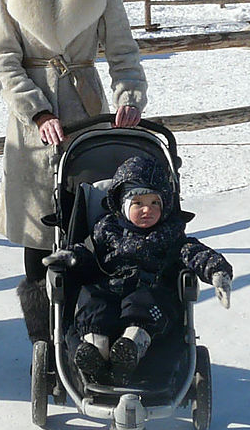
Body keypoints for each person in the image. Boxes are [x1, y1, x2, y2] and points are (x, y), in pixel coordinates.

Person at [0, 0, 148, 345]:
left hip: (86, 114)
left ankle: (91, 333)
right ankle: (44, 343)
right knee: (39, 234)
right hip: (31, 126)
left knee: (91, 226)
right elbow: (4, 59)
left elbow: (122, 50)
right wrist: (36, 110)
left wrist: (130, 96)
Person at [65, 154, 233, 382]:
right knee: (92, 297)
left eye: (155, 203)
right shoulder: (104, 233)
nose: (148, 210)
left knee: (146, 301)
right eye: (138, 203)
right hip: (109, 287)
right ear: (122, 207)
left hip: (150, 293)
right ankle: (96, 347)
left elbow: (195, 253)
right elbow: (86, 252)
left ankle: (133, 346)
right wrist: (69, 257)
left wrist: (217, 272)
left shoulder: (170, 236)